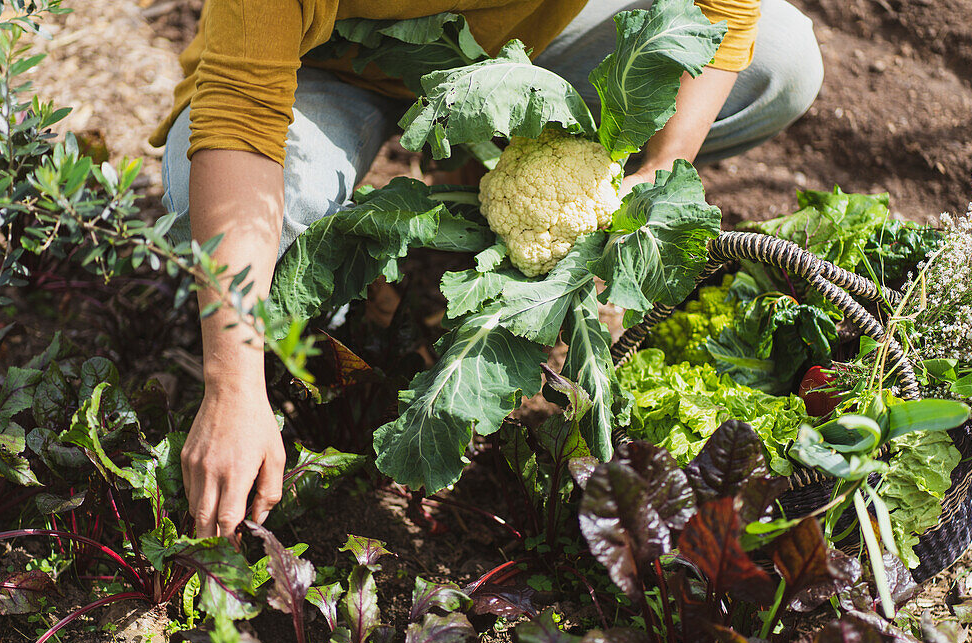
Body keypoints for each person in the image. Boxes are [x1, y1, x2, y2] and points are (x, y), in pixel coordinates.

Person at [151, 0, 824, 542]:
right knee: (252, 221)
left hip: (522, 54)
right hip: (324, 66)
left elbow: (723, 9)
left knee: (780, 62)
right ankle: (344, 295)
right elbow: (239, 117)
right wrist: (232, 387)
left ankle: (474, 167)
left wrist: (649, 179)